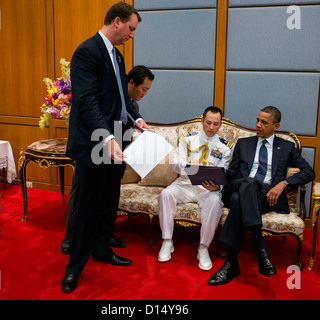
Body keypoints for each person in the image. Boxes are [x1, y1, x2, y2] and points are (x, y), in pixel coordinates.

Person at [61, 2, 147, 293]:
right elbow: (87, 101)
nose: (131, 36)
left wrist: (136, 119)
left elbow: (121, 98)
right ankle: (74, 267)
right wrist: (107, 138)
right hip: (97, 142)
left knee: (110, 198)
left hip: (119, 137)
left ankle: (101, 249)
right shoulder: (86, 52)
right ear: (118, 21)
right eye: (131, 29)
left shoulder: (118, 57)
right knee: (88, 205)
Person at [207, 106, 315, 286]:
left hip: (265, 196)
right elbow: (232, 172)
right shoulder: (244, 143)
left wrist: (283, 184)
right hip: (239, 186)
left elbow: (309, 172)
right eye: (257, 120)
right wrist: (216, 180)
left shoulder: (287, 147)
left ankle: (230, 263)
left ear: (276, 125)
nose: (258, 125)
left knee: (238, 200)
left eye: (264, 122)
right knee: (247, 184)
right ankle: (260, 249)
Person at [60, 65, 154, 254]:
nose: (144, 94)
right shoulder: (107, 99)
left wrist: (139, 123)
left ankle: (104, 236)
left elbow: (129, 117)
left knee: (109, 199)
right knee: (81, 196)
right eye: (143, 89)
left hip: (117, 159)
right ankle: (70, 238)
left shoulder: (133, 105)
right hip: (96, 152)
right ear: (131, 82)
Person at [158, 106, 232, 271]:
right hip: (184, 184)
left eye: (216, 124)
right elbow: (176, 165)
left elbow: (223, 171)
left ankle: (203, 248)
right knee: (165, 195)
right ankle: (167, 241)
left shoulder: (224, 147)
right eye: (208, 123)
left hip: (207, 190)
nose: (211, 128)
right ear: (202, 121)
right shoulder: (187, 139)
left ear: (221, 125)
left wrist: (217, 185)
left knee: (214, 201)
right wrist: (195, 169)